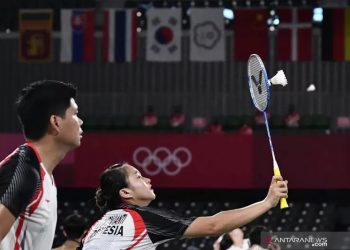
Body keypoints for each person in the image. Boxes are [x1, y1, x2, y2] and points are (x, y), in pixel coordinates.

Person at [79, 163, 288, 249]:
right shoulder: (140, 219)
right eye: (139, 177)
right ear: (125, 193)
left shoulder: (95, 227)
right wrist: (268, 201)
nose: (148, 179)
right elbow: (213, 225)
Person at [0, 80, 83, 249]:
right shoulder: (24, 170)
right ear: (55, 122)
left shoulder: (44, 174)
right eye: (75, 114)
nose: (80, 121)